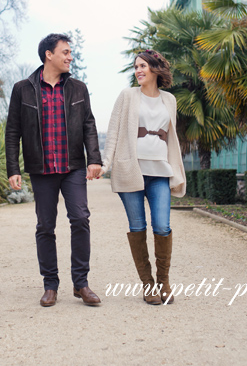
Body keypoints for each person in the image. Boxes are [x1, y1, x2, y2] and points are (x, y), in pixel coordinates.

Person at [5, 33, 104, 307]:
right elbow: (13, 130)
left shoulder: (78, 88)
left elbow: (88, 125)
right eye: (65, 52)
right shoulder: (23, 89)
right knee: (45, 226)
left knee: (80, 219)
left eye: (70, 52)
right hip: (41, 169)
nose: (70, 57)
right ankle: (50, 285)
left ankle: (81, 284)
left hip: (72, 166)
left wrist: (94, 158)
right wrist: (13, 167)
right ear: (49, 54)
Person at [101, 49, 186, 305]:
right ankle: (148, 285)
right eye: (136, 66)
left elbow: (170, 137)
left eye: (143, 66)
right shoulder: (127, 96)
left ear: (155, 69)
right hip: (131, 170)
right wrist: (105, 164)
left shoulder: (169, 100)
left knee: (162, 226)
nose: (138, 70)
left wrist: (177, 169)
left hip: (160, 171)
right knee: (137, 227)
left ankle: (164, 282)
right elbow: (114, 131)